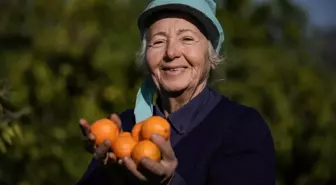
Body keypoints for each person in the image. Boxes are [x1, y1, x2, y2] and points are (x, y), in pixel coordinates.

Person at [77, 0, 276, 184]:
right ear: (146, 57)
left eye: (187, 39)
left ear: (211, 56)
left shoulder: (242, 127)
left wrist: (169, 182)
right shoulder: (123, 130)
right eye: (158, 41)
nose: (171, 53)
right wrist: (112, 178)